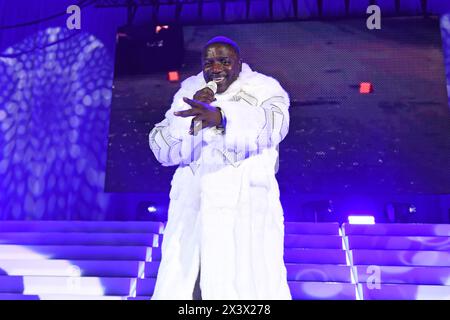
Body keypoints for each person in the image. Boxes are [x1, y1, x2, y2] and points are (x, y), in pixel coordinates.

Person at [149, 36, 291, 300]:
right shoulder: (189, 90)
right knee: (189, 284)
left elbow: (275, 126)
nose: (215, 68)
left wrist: (224, 118)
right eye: (209, 62)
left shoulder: (264, 88)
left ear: (238, 62)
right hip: (194, 209)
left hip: (244, 207)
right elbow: (162, 145)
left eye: (224, 61)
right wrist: (190, 120)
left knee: (244, 285)